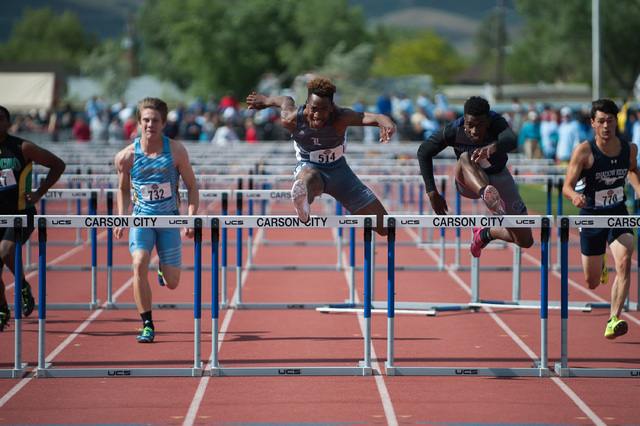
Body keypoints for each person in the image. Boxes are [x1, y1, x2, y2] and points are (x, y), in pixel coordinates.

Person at [246, 77, 395, 236]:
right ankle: (303, 200)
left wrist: (386, 122)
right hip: (309, 166)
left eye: (324, 109)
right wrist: (267, 100)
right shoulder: (291, 119)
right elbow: (286, 100)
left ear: (331, 107)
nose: (318, 115)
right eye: (314, 108)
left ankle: (305, 196)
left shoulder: (340, 118)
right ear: (307, 104)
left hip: (340, 172)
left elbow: (373, 117)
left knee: (384, 226)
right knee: (309, 178)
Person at [114, 97, 199, 343]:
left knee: (172, 284)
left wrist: (190, 218)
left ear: (163, 124)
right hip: (141, 220)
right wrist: (122, 217)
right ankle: (147, 324)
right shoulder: (126, 156)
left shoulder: (176, 150)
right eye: (146, 120)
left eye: (156, 121)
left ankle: (163, 269)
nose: (151, 125)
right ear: (139, 122)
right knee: (139, 263)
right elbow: (122, 189)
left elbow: (192, 187)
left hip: (169, 221)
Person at [417, 96, 534, 258]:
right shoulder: (454, 129)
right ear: (464, 120)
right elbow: (424, 151)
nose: (474, 131)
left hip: (498, 176)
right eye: (469, 125)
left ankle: (485, 233)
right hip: (468, 180)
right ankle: (486, 194)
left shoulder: (496, 123)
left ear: (488, 122)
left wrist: (495, 146)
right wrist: (431, 191)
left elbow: (512, 139)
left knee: (525, 240)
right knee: (465, 157)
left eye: (480, 125)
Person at [562, 98, 640, 340]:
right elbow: (567, 186)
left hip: (618, 214)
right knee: (592, 282)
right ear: (593, 123)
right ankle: (601, 262)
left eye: (610, 121)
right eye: (601, 121)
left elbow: (632, 169)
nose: (606, 126)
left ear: (616, 122)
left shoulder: (630, 148)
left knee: (626, 259)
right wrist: (575, 196)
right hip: (591, 217)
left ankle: (613, 319)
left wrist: (638, 188)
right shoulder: (584, 151)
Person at [0, 106, 66, 331]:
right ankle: (2, 309)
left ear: (8, 122)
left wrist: (39, 192)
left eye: (0, 119)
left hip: (20, 214)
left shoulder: (21, 147)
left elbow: (58, 164)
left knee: (6, 251)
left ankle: (22, 287)